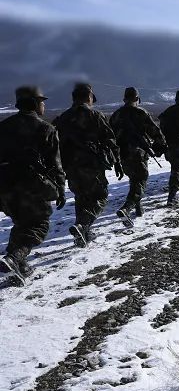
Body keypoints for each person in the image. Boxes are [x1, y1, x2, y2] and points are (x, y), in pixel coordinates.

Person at [0, 86, 66, 283]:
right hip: (32, 186)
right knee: (39, 225)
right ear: (35, 104)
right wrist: (61, 188)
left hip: (4, 187)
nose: (44, 105)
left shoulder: (2, 127)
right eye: (42, 101)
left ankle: (16, 268)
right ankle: (14, 257)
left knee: (21, 223)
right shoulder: (46, 129)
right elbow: (55, 163)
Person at [54, 83, 120, 247]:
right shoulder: (96, 115)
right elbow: (110, 140)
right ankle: (82, 225)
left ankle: (82, 236)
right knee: (101, 197)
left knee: (81, 198)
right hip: (92, 165)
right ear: (88, 97)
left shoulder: (62, 118)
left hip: (70, 166)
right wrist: (117, 161)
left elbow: (56, 145)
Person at [109, 87, 166, 227]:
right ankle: (126, 209)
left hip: (122, 155)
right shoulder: (141, 112)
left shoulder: (116, 115)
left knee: (134, 181)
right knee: (140, 182)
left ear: (124, 99)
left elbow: (110, 138)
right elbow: (155, 131)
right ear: (137, 99)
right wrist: (161, 146)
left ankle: (138, 209)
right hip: (138, 154)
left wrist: (115, 159)